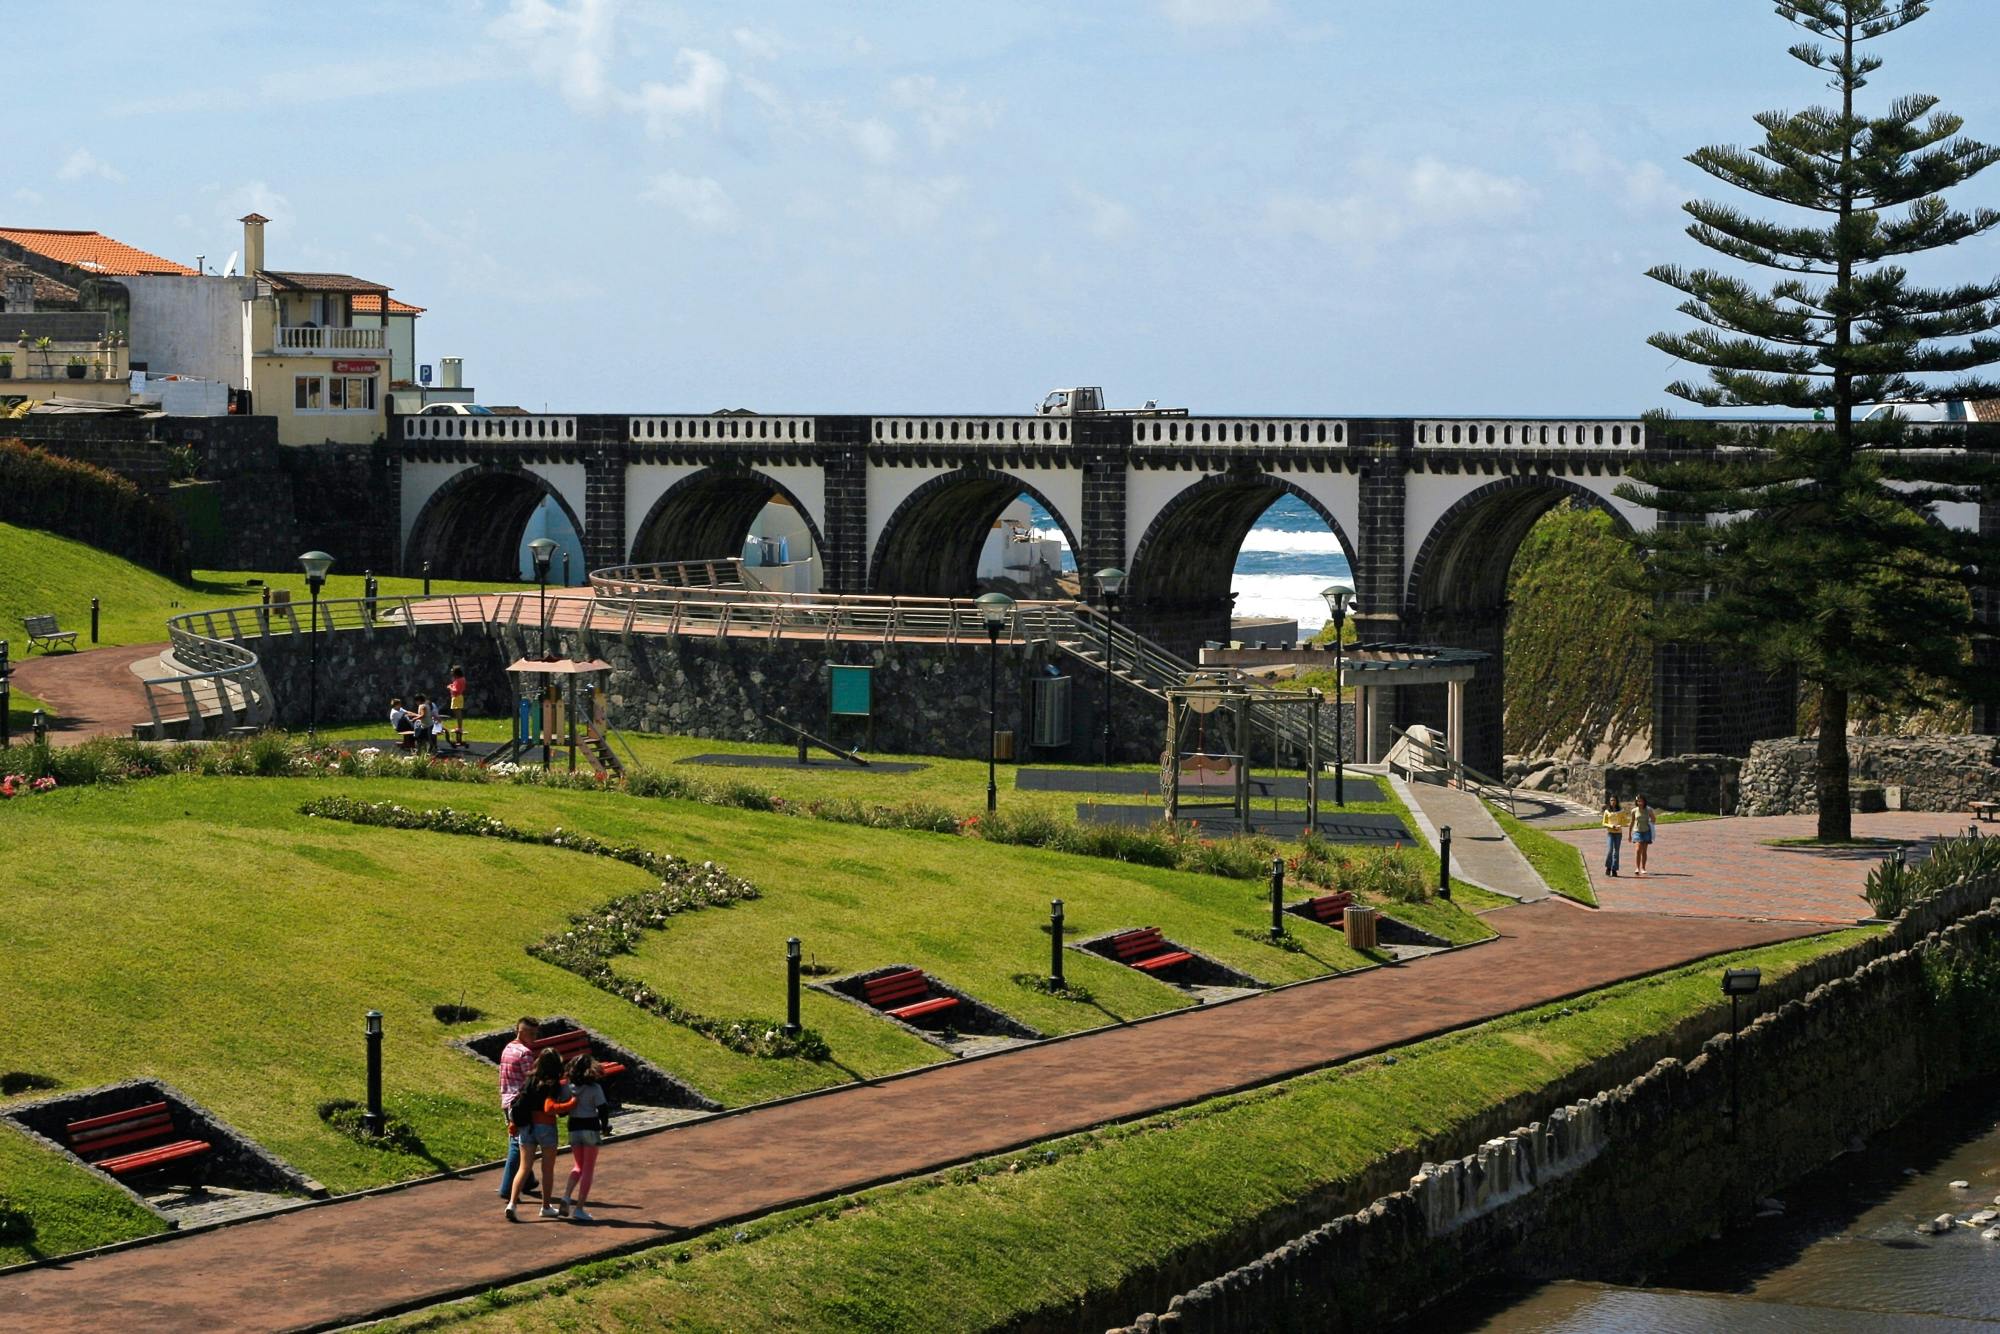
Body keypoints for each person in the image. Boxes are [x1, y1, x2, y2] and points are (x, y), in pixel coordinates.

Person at [506, 1048, 575, 1222]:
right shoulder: (557, 1083)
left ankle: (512, 1204)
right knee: (547, 1169)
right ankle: (545, 1206)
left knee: (524, 1167)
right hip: (546, 1126)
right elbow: (560, 1110)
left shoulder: (530, 1079)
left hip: (527, 1127)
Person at [561, 1053, 609, 1222]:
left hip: (573, 1127)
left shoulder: (568, 1087)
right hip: (590, 1127)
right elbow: (603, 1109)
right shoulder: (594, 1088)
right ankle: (579, 1208)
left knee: (578, 1166)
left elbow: (563, 1110)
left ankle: (566, 1196)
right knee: (588, 1168)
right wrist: (605, 1127)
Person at [496, 1018, 540, 1202]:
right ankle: (507, 1188)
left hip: (507, 1102)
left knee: (519, 1141)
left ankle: (527, 1180)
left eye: (536, 1033)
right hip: (520, 1104)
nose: (535, 1037)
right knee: (518, 1145)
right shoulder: (525, 1053)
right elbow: (531, 1081)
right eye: (531, 1033)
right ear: (521, 1032)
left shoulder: (508, 1048)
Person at [1601, 796, 1631, 878]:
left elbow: (1625, 821)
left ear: (1617, 801)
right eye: (1611, 800)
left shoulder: (1621, 811)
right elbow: (1604, 823)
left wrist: (1620, 825)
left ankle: (1614, 869)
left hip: (1618, 833)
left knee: (1616, 852)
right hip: (1610, 833)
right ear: (1609, 801)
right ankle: (1608, 867)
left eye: (1614, 800)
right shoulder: (1607, 811)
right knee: (1610, 850)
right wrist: (1611, 826)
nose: (1612, 802)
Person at [1631, 793, 1657, 877]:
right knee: (1638, 850)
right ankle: (1637, 868)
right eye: (1638, 801)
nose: (1640, 802)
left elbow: (1654, 819)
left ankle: (1643, 868)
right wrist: (1629, 834)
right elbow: (1632, 822)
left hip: (1646, 832)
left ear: (1644, 801)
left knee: (1644, 851)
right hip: (1637, 831)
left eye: (1641, 801)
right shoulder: (1634, 810)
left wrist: (1650, 822)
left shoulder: (1648, 810)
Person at [447, 666, 468, 750]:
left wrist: (450, 687)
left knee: (457, 712)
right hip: (458, 697)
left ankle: (459, 727)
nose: (451, 673)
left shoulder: (458, 680)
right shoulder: (461, 679)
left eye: (452, 671)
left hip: (457, 697)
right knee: (457, 712)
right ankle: (459, 726)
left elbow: (456, 690)